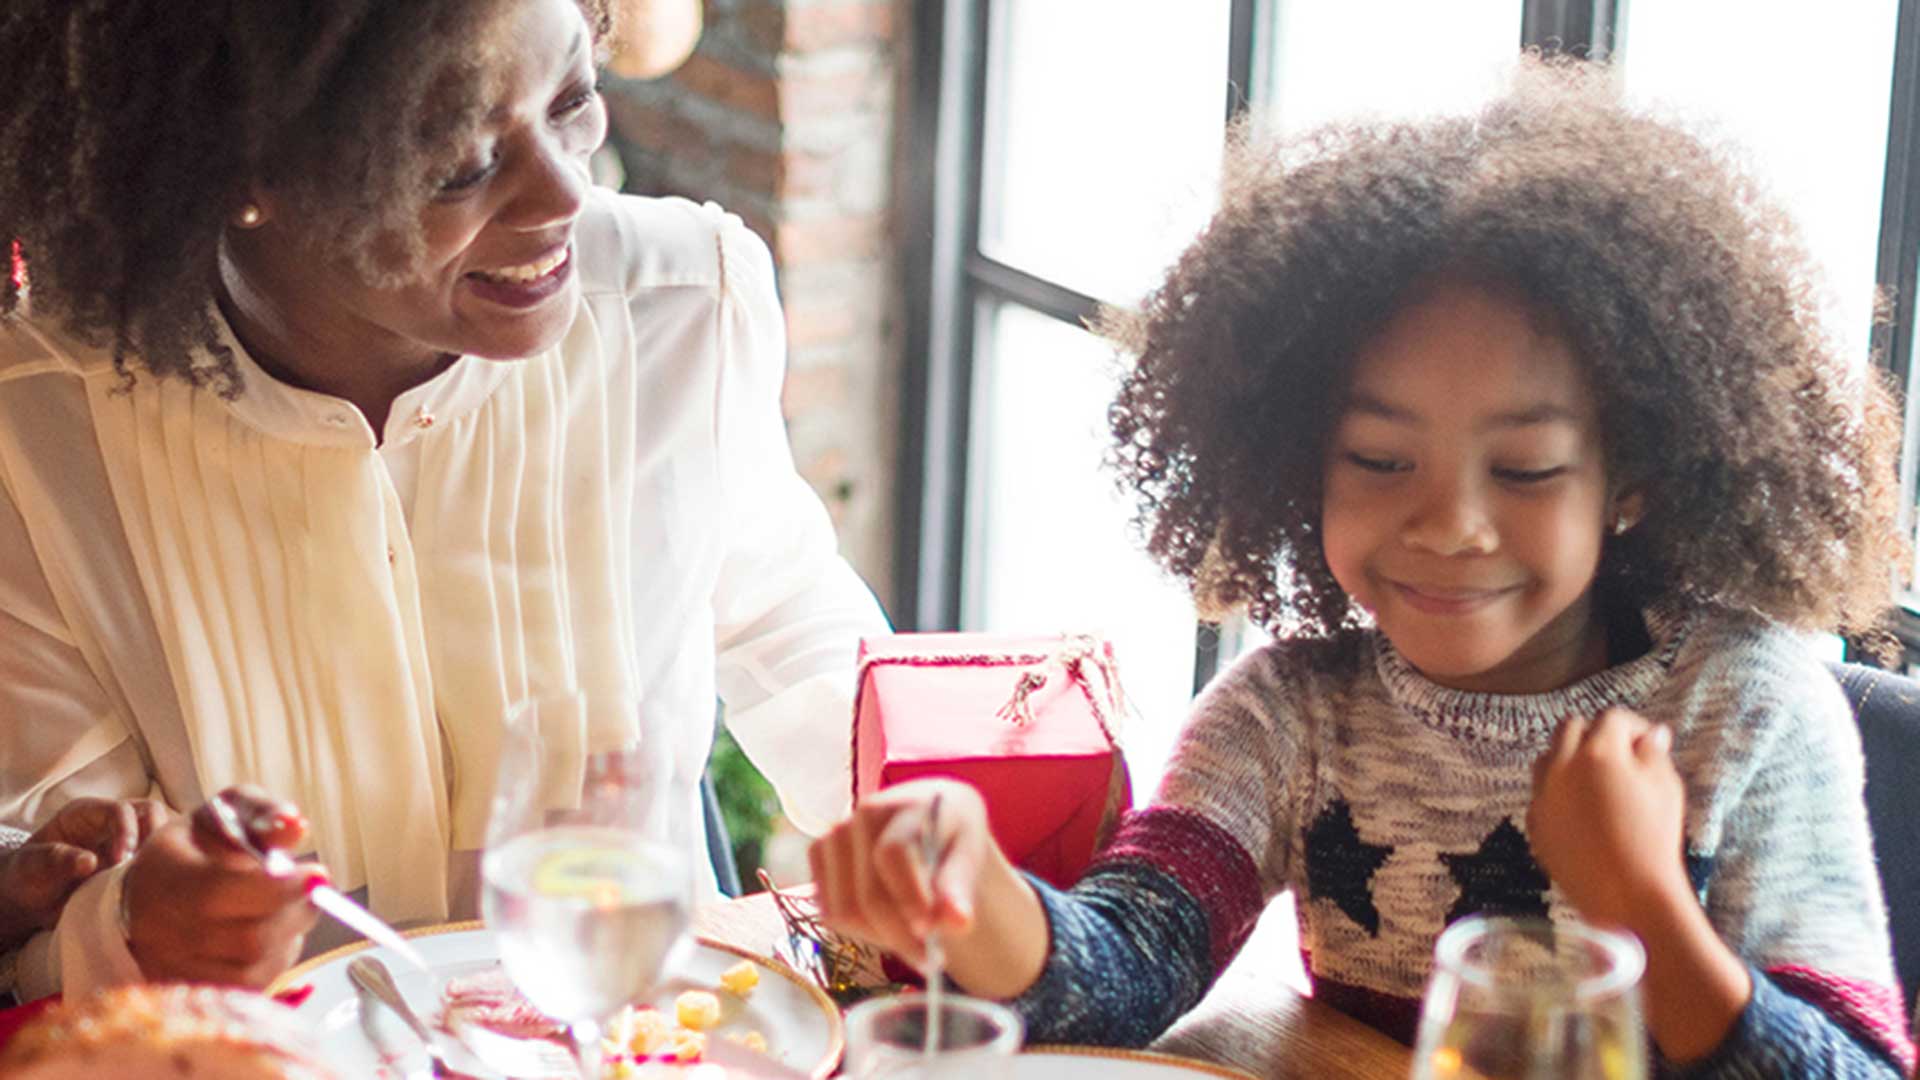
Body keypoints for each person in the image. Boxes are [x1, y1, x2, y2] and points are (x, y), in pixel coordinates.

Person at [811, 60, 1915, 1077]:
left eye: (1525, 469)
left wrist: (1643, 906)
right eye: (1381, 460)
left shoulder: (1746, 709)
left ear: (1635, 479)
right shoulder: (1291, 716)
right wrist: (977, 897)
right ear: (1300, 458)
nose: (1450, 525)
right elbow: (1128, 968)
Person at [0, 0, 886, 1001]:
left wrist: (921, 804)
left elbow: (790, 616)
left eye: (572, 102)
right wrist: (125, 925)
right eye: (463, 163)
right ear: (245, 175)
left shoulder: (681, 306)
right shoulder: (37, 435)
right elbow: (48, 909)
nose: (562, 193)